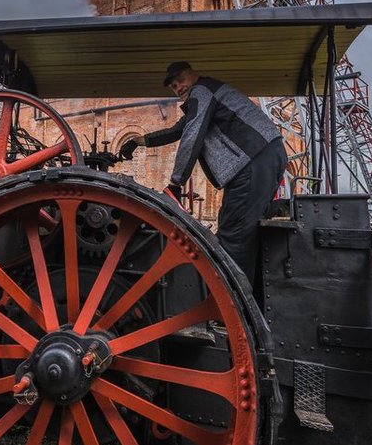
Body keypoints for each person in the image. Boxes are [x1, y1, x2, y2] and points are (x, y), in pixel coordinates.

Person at [120, 61, 287, 282]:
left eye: (181, 80)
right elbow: (176, 131)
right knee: (247, 233)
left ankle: (232, 309)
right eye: (173, 86)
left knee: (233, 236)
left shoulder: (202, 91)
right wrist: (137, 141)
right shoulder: (207, 94)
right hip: (264, 157)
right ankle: (251, 299)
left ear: (194, 74)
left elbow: (191, 136)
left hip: (254, 160)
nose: (178, 87)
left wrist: (176, 183)